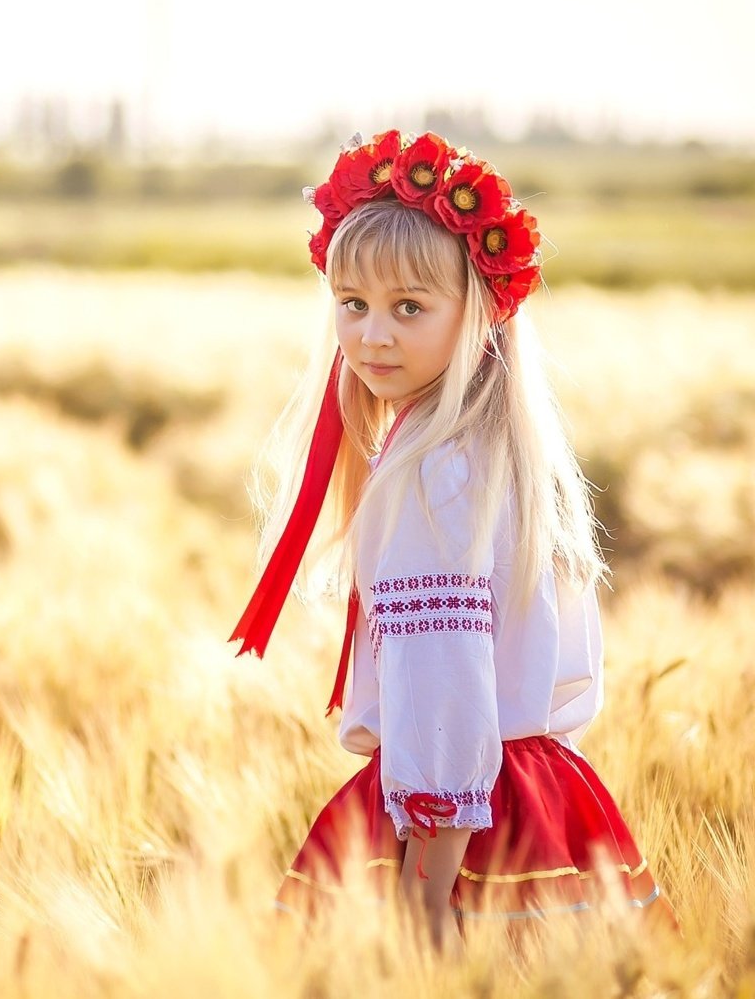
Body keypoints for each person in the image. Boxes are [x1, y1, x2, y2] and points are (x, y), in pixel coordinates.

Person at [229, 130, 681, 952]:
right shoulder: (500, 454)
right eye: (352, 304)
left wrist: (426, 901)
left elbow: (443, 688)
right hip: (545, 803)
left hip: (450, 836)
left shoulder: (430, 477)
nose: (371, 336)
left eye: (410, 307)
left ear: (476, 310)